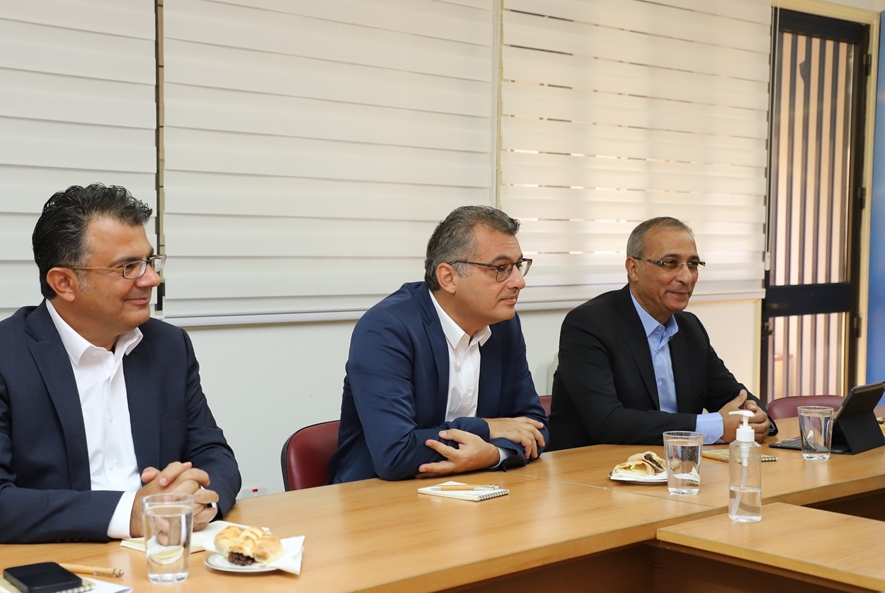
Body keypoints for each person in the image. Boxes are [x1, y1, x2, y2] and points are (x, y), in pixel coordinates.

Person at [0, 184, 241, 545]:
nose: (152, 279)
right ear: (64, 283)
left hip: (158, 552)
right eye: (128, 267)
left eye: (149, 261)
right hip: (45, 561)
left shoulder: (168, 346)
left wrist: (200, 501)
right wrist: (129, 513)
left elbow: (213, 454)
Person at [328, 205, 548, 483]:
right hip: (377, 495)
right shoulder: (386, 329)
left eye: (518, 266)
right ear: (448, 278)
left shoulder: (503, 324)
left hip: (471, 489)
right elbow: (395, 454)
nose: (518, 282)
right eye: (501, 268)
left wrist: (493, 455)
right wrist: (486, 428)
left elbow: (536, 427)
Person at [548, 216, 776, 450]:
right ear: (633, 268)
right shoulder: (589, 325)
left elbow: (734, 396)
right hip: (595, 466)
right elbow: (607, 421)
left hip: (677, 465)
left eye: (693, 264)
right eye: (670, 263)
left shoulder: (690, 328)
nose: (686, 277)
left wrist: (754, 416)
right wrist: (714, 426)